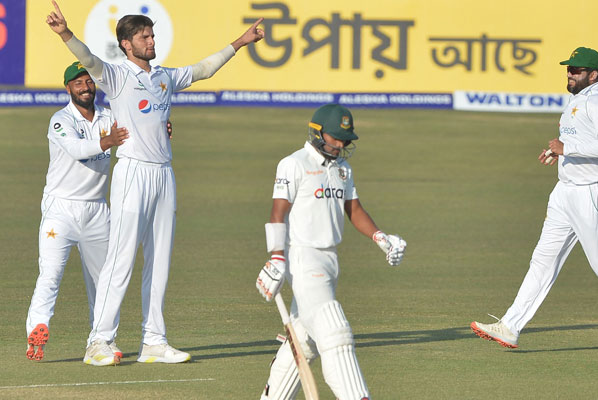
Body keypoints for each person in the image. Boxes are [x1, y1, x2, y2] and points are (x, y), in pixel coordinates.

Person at [46, 0, 265, 366]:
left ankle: (154, 342)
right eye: (143, 36)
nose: (151, 40)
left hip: (164, 173)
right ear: (127, 44)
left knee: (160, 260)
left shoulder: (163, 76)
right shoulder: (115, 76)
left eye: (151, 34)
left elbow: (203, 70)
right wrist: (66, 34)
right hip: (132, 172)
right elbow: (89, 61)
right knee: (121, 258)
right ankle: (98, 341)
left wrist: (240, 42)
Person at [470, 47, 598, 349]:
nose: (570, 74)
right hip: (564, 193)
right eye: (569, 69)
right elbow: (579, 140)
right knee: (542, 260)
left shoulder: (597, 99)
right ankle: (510, 326)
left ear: (593, 74)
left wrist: (566, 149)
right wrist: (558, 152)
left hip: (591, 193)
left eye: (577, 70)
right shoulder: (576, 98)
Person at [256, 104, 407, 400]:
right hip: (303, 257)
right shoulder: (294, 163)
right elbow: (277, 213)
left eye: (345, 139)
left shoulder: (342, 168)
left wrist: (380, 237)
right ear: (316, 133)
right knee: (334, 330)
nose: (341, 145)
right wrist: (276, 258)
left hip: (330, 261)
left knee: (304, 341)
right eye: (336, 138)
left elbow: (353, 208)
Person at [26, 61, 129, 362]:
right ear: (68, 88)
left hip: (97, 210)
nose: (86, 87)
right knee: (51, 273)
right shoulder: (60, 120)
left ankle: (102, 341)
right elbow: (77, 150)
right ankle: (38, 330)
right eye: (78, 83)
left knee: (105, 280)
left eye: (89, 81)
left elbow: (136, 128)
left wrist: (162, 128)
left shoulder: (110, 116)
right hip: (61, 210)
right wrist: (109, 141)